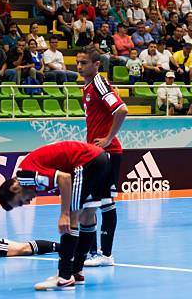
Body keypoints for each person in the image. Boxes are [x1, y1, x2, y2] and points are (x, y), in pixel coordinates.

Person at [0, 141, 112, 290]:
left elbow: (64, 179)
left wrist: (64, 214)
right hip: (101, 159)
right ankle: (76, 273)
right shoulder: (29, 176)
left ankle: (64, 277)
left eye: (20, 202)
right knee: (87, 217)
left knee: (71, 218)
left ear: (14, 188)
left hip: (86, 161)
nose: (26, 203)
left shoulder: (24, 176)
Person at [75, 47, 128, 267]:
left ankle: (105, 255)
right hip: (94, 153)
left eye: (84, 63)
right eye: (78, 62)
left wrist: (107, 139)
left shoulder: (99, 83)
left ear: (96, 64)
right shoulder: (86, 86)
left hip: (107, 153)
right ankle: (93, 252)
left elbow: (122, 110)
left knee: (105, 202)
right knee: (91, 202)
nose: (79, 66)